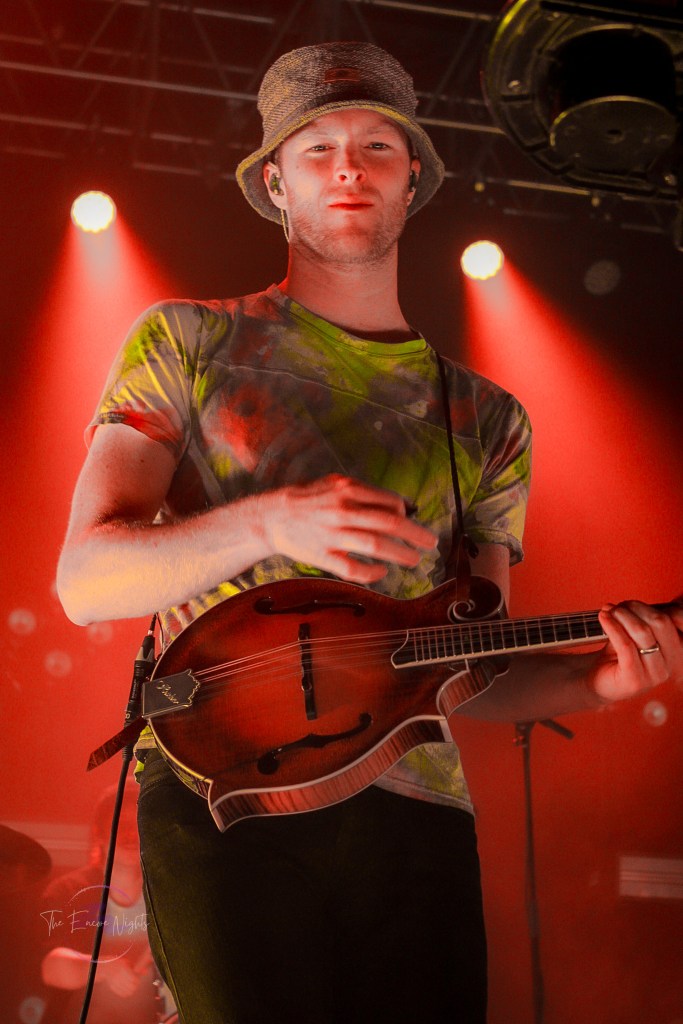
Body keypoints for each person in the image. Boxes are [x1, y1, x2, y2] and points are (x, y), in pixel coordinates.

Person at [56, 41, 683, 1024]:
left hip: (416, 815)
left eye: (377, 147)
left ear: (413, 180)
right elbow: (86, 579)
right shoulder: (186, 340)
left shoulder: (487, 419)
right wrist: (269, 517)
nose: (347, 167)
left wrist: (600, 681)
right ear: (275, 183)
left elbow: (470, 666)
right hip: (226, 792)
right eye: (317, 148)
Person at [39, 783, 169, 1024]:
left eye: (138, 823)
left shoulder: (169, 896)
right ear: (99, 834)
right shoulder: (68, 891)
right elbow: (51, 967)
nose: (130, 834)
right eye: (120, 824)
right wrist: (104, 968)